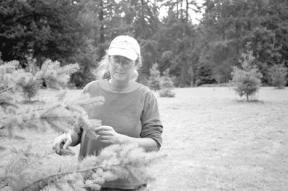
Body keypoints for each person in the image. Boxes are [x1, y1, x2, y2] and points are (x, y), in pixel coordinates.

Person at [53, 35, 163, 191]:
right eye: (116, 59)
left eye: (126, 61)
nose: (120, 66)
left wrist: (120, 139)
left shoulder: (146, 96)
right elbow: (79, 130)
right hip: (88, 182)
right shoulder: (91, 89)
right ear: (108, 60)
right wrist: (68, 138)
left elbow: (154, 143)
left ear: (136, 63)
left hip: (129, 184)